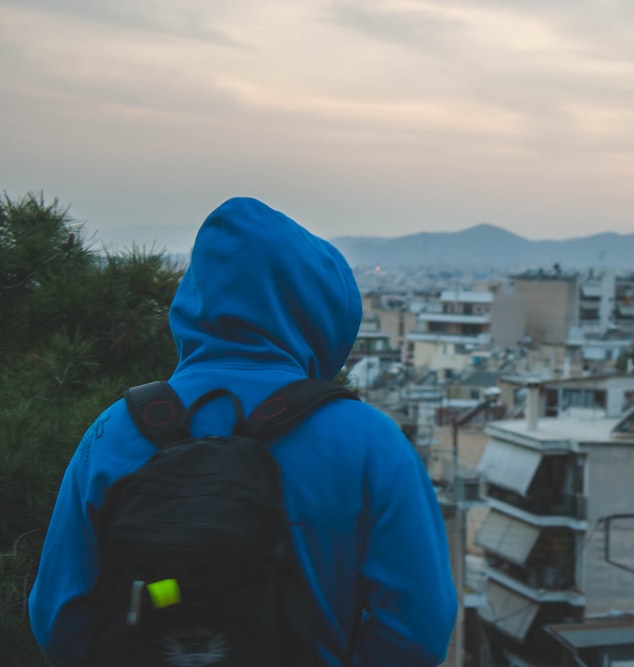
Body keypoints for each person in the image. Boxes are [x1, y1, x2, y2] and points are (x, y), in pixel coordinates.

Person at [28, 197, 457, 665]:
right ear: (318, 308)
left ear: (194, 297)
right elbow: (419, 631)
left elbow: (58, 618)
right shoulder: (369, 441)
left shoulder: (114, 430)